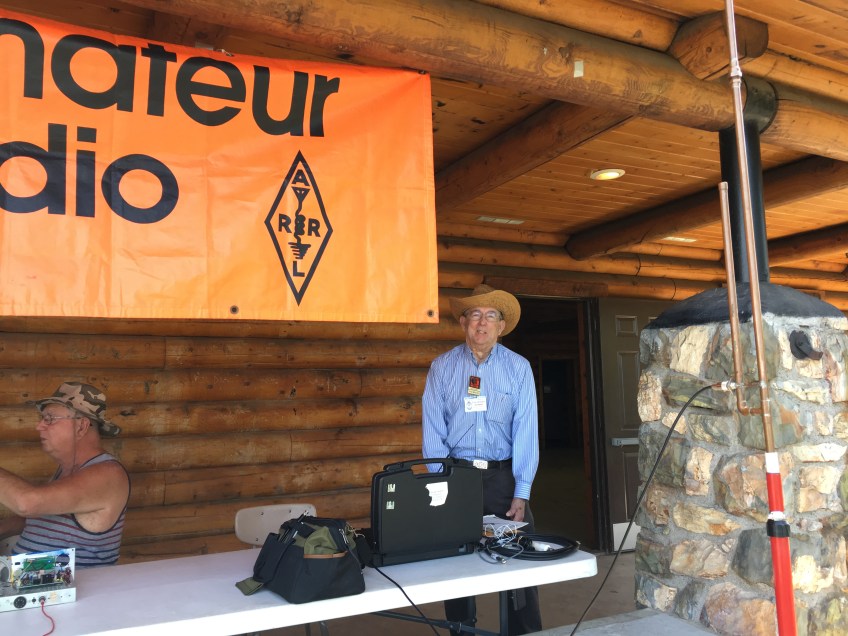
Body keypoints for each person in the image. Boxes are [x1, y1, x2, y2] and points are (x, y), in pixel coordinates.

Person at [422, 284, 541, 635]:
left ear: (501, 326)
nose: (482, 322)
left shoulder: (518, 368)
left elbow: (526, 431)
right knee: (456, 567)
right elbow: (433, 430)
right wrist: (441, 483)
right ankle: (462, 630)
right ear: (463, 322)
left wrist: (522, 491)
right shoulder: (442, 367)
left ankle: (524, 632)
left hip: (503, 480)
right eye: (475, 314)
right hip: (456, 478)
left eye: (491, 316)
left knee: (519, 564)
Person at [0, 382, 130, 567]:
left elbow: (27, 503)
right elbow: (41, 518)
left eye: (50, 418)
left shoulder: (109, 474)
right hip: (32, 578)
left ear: (81, 426)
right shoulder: (67, 470)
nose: (39, 426)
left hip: (73, 584)